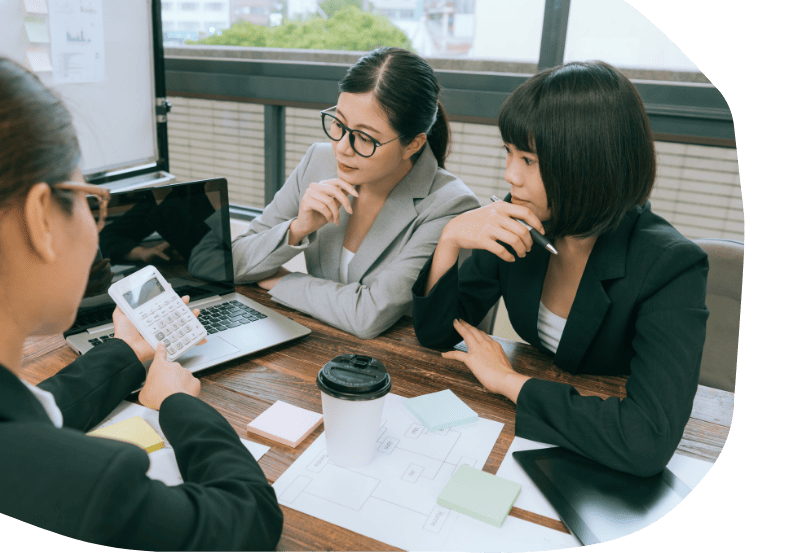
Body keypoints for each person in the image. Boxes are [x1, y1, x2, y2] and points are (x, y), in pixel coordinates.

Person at [0, 44, 282, 550]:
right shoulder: (78, 486)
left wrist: (129, 350)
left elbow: (30, 410)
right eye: (92, 202)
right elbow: (246, 521)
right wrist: (179, 405)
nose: (95, 227)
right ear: (40, 217)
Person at [412, 61, 709, 477]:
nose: (509, 174)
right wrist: (449, 241)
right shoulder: (522, 221)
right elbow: (437, 334)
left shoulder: (671, 266)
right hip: (527, 439)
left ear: (586, 164)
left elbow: (647, 440)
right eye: (509, 153)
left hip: (598, 459)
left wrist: (509, 382)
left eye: (529, 159)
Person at [232, 47, 480, 339]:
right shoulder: (318, 160)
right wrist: (298, 229)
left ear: (413, 143)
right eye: (339, 124)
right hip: (315, 343)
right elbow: (234, 261)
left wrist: (283, 282)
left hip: (394, 366)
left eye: (365, 138)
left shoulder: (449, 204)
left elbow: (369, 315)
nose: (342, 148)